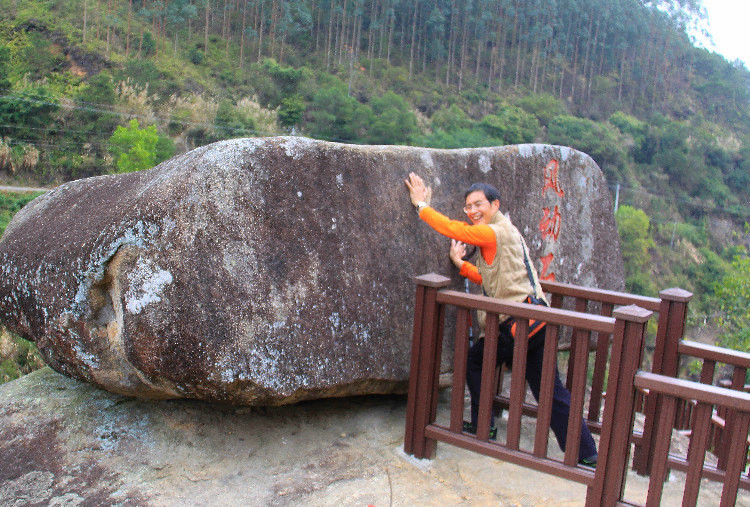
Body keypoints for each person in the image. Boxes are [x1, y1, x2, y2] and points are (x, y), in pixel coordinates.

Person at [404, 172, 598, 467]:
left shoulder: (494, 232)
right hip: (537, 320)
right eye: (468, 207)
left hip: (515, 323)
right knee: (550, 391)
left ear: (495, 204)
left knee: (476, 362)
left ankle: (484, 426)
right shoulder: (509, 232)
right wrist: (461, 265)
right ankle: (586, 452)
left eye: (478, 204)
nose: (472, 211)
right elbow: (491, 277)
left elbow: (452, 228)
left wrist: (421, 205)